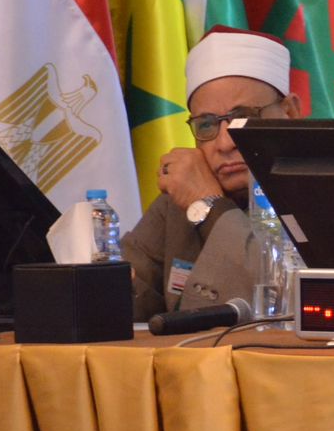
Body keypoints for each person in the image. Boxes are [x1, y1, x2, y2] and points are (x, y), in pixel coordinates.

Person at [121, 27, 301, 320]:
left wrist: (208, 206)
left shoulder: (323, 193)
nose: (225, 143)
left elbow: (281, 304)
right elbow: (126, 297)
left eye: (243, 118)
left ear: (289, 113)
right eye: (206, 125)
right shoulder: (178, 204)